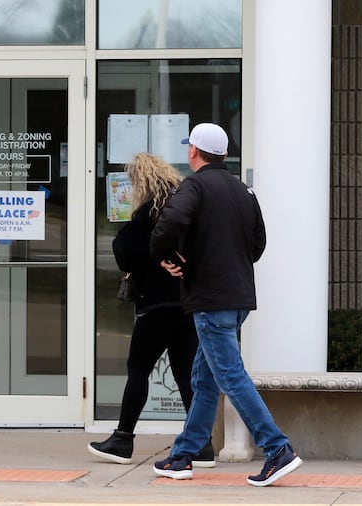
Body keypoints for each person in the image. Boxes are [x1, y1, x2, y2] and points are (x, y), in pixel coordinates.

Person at [148, 123, 302, 486]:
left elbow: (171, 222)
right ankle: (183, 455)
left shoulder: (194, 186)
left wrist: (163, 255)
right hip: (237, 298)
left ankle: (277, 448)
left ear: (193, 152)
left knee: (231, 376)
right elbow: (258, 244)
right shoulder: (243, 191)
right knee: (204, 379)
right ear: (225, 154)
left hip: (210, 300)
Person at [88, 153, 214, 467]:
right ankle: (202, 445)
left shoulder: (149, 213)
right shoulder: (186, 209)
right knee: (185, 375)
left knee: (138, 370)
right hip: (186, 305)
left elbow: (124, 251)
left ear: (141, 182)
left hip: (156, 307)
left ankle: (122, 440)